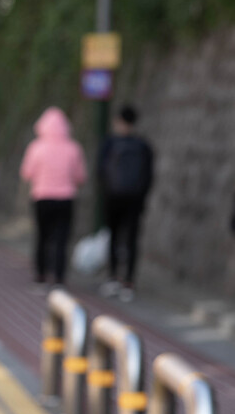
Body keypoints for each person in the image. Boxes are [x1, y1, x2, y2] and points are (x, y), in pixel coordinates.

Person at [19, 106, 88, 287]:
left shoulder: (36, 147)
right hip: (66, 199)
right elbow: (81, 176)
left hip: (41, 197)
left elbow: (26, 173)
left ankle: (41, 273)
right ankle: (58, 276)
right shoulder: (73, 148)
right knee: (62, 238)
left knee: (42, 236)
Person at [97, 105, 154, 302]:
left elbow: (100, 171)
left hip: (113, 198)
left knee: (114, 237)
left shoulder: (110, 143)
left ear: (119, 121)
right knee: (131, 239)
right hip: (135, 200)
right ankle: (129, 282)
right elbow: (149, 175)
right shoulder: (143, 146)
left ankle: (113, 277)